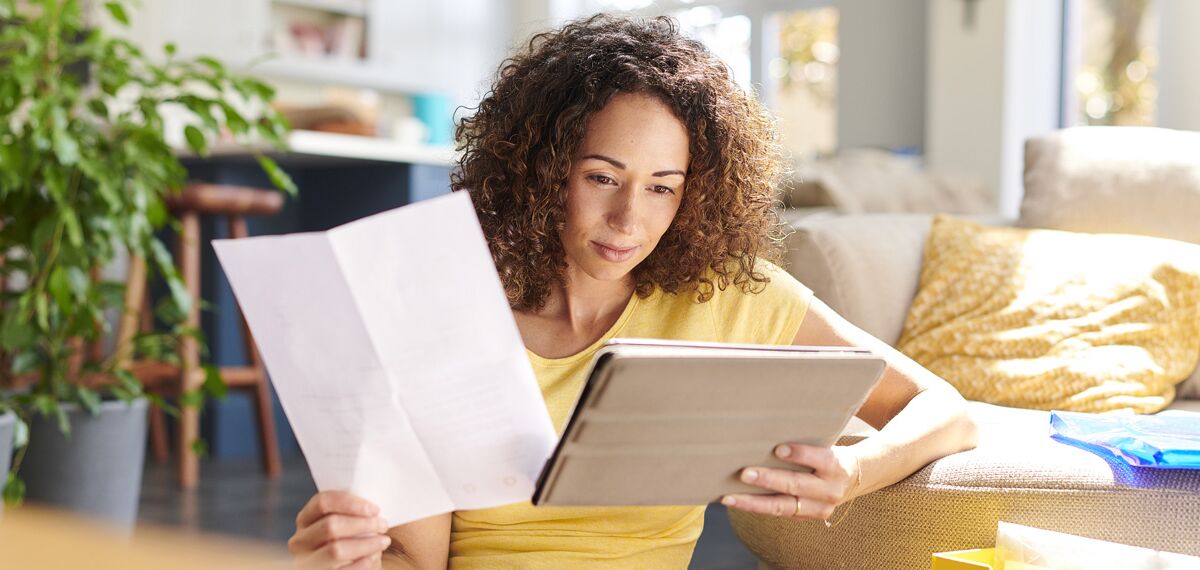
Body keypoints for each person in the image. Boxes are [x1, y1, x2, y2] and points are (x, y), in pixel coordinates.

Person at [287, 14, 978, 569]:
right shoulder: (444, 313)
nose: (629, 221)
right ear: (542, 169)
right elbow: (416, 560)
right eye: (601, 178)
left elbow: (945, 410)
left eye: (661, 189)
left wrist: (854, 471)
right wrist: (352, 560)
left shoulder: (727, 296)